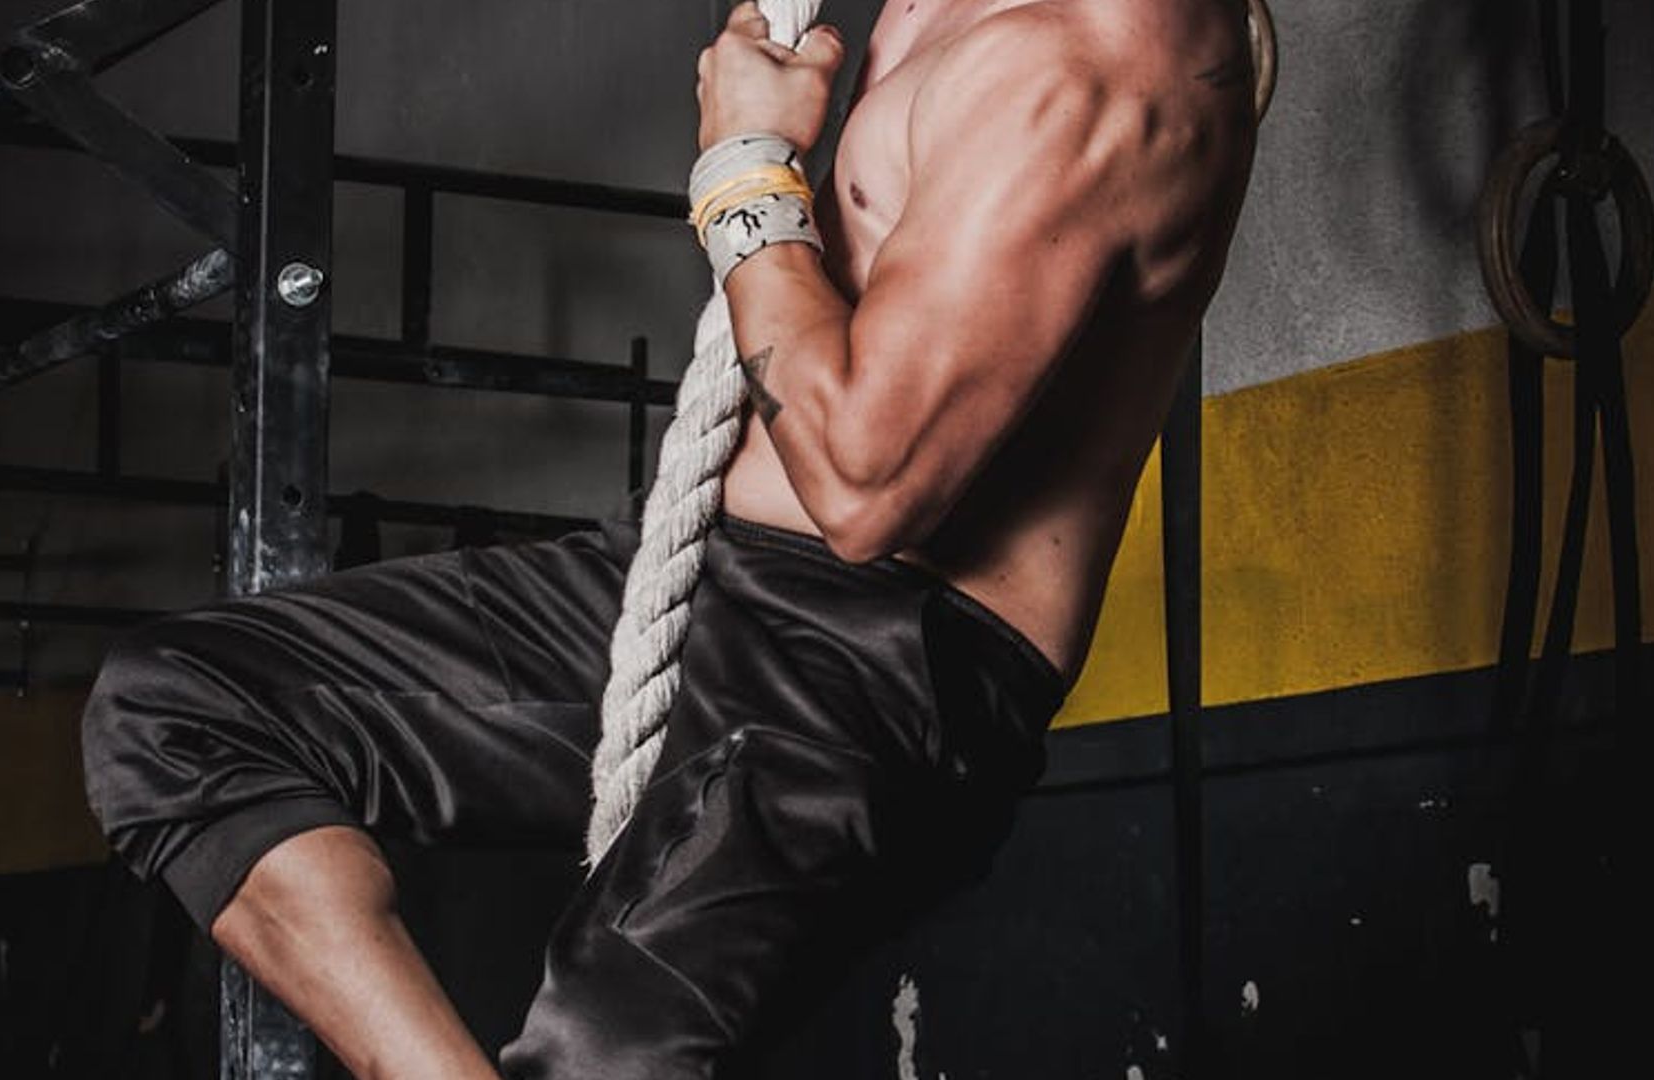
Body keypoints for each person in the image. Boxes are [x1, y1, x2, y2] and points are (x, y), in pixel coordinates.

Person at [79, 1, 1257, 1076]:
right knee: (177, 706)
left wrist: (744, 164)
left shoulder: (1101, 57)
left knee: (605, 1057)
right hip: (703, 577)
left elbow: (867, 483)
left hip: (877, 664)